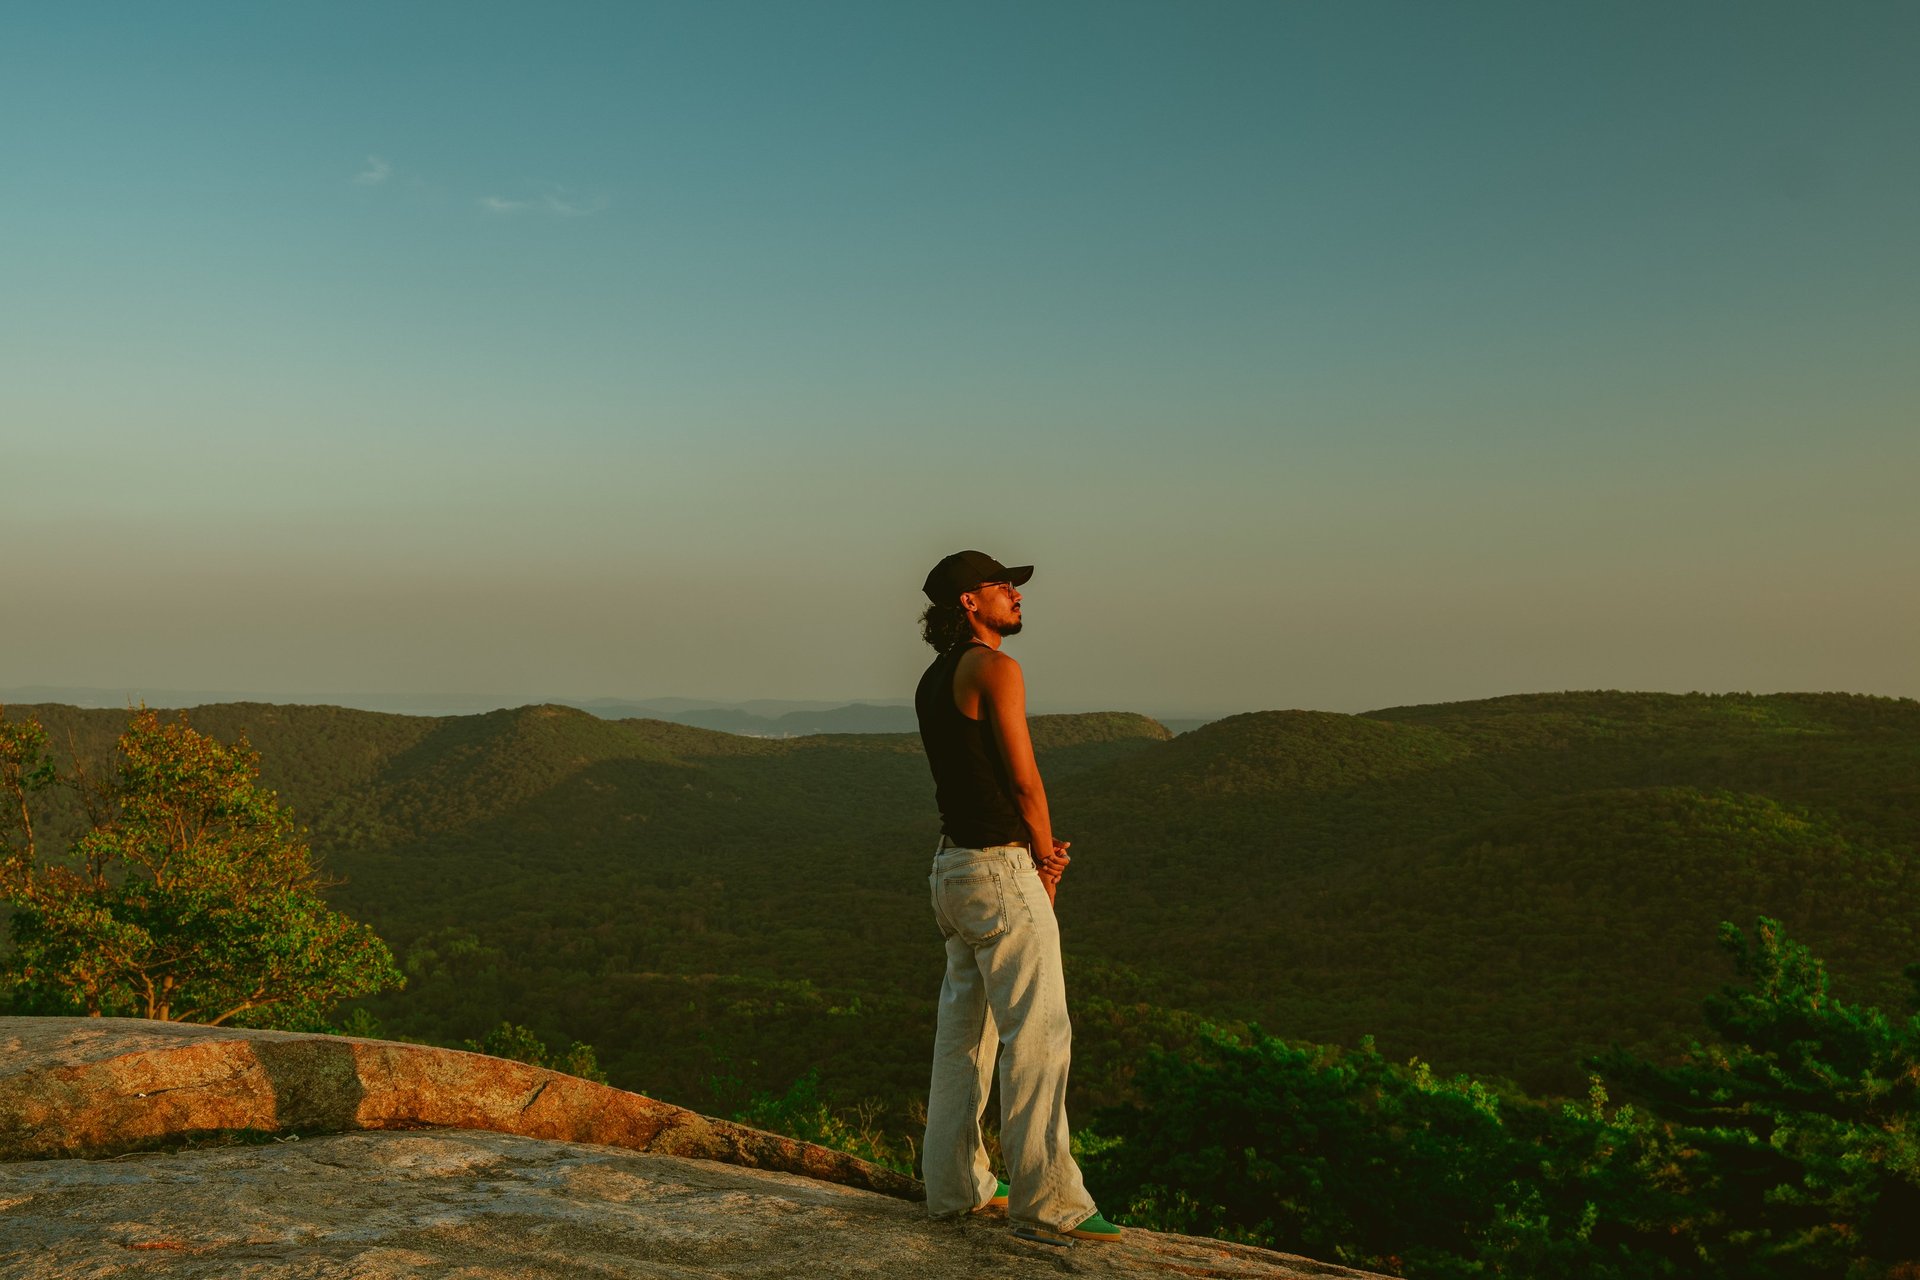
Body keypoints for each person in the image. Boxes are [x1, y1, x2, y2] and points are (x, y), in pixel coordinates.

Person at [914, 549, 1123, 1246]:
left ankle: (953, 1187)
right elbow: (1024, 779)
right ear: (969, 602)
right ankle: (1050, 1200)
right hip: (1000, 871)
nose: (1016, 594)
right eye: (1002, 586)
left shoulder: (934, 677)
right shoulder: (996, 668)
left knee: (963, 1039)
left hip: (951, 870)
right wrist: (1045, 860)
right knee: (1038, 1036)